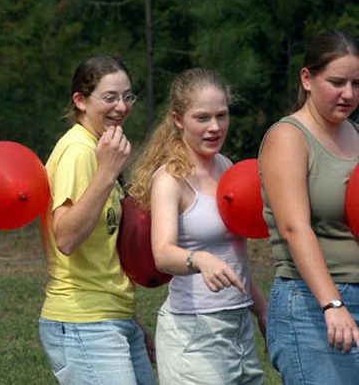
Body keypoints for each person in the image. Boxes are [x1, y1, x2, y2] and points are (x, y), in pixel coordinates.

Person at [128, 68, 267, 384]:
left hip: (238, 327)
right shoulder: (169, 179)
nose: (215, 127)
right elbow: (163, 254)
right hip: (194, 333)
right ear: (178, 119)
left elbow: (236, 257)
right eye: (202, 118)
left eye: (222, 115)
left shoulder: (227, 166)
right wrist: (199, 259)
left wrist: (262, 311)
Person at [38, 53, 156, 385]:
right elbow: (66, 238)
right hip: (83, 320)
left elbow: (102, 251)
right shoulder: (79, 151)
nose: (121, 107)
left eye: (127, 96)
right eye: (110, 97)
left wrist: (130, 321)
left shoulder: (98, 147)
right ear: (81, 100)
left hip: (110, 315)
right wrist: (108, 172)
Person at [259, 29, 359, 384]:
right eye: (336, 82)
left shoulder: (356, 135)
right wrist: (332, 305)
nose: (348, 94)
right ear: (307, 78)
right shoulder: (288, 137)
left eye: (356, 83)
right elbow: (293, 227)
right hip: (312, 305)